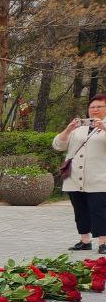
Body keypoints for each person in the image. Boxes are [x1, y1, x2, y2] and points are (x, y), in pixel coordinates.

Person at [54, 94, 106, 253]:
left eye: (99, 106)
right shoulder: (79, 128)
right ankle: (85, 241)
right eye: (92, 107)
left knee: (100, 210)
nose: (95, 110)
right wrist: (68, 129)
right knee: (80, 209)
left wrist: (103, 127)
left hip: (99, 178)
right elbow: (58, 145)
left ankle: (103, 243)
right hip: (75, 178)